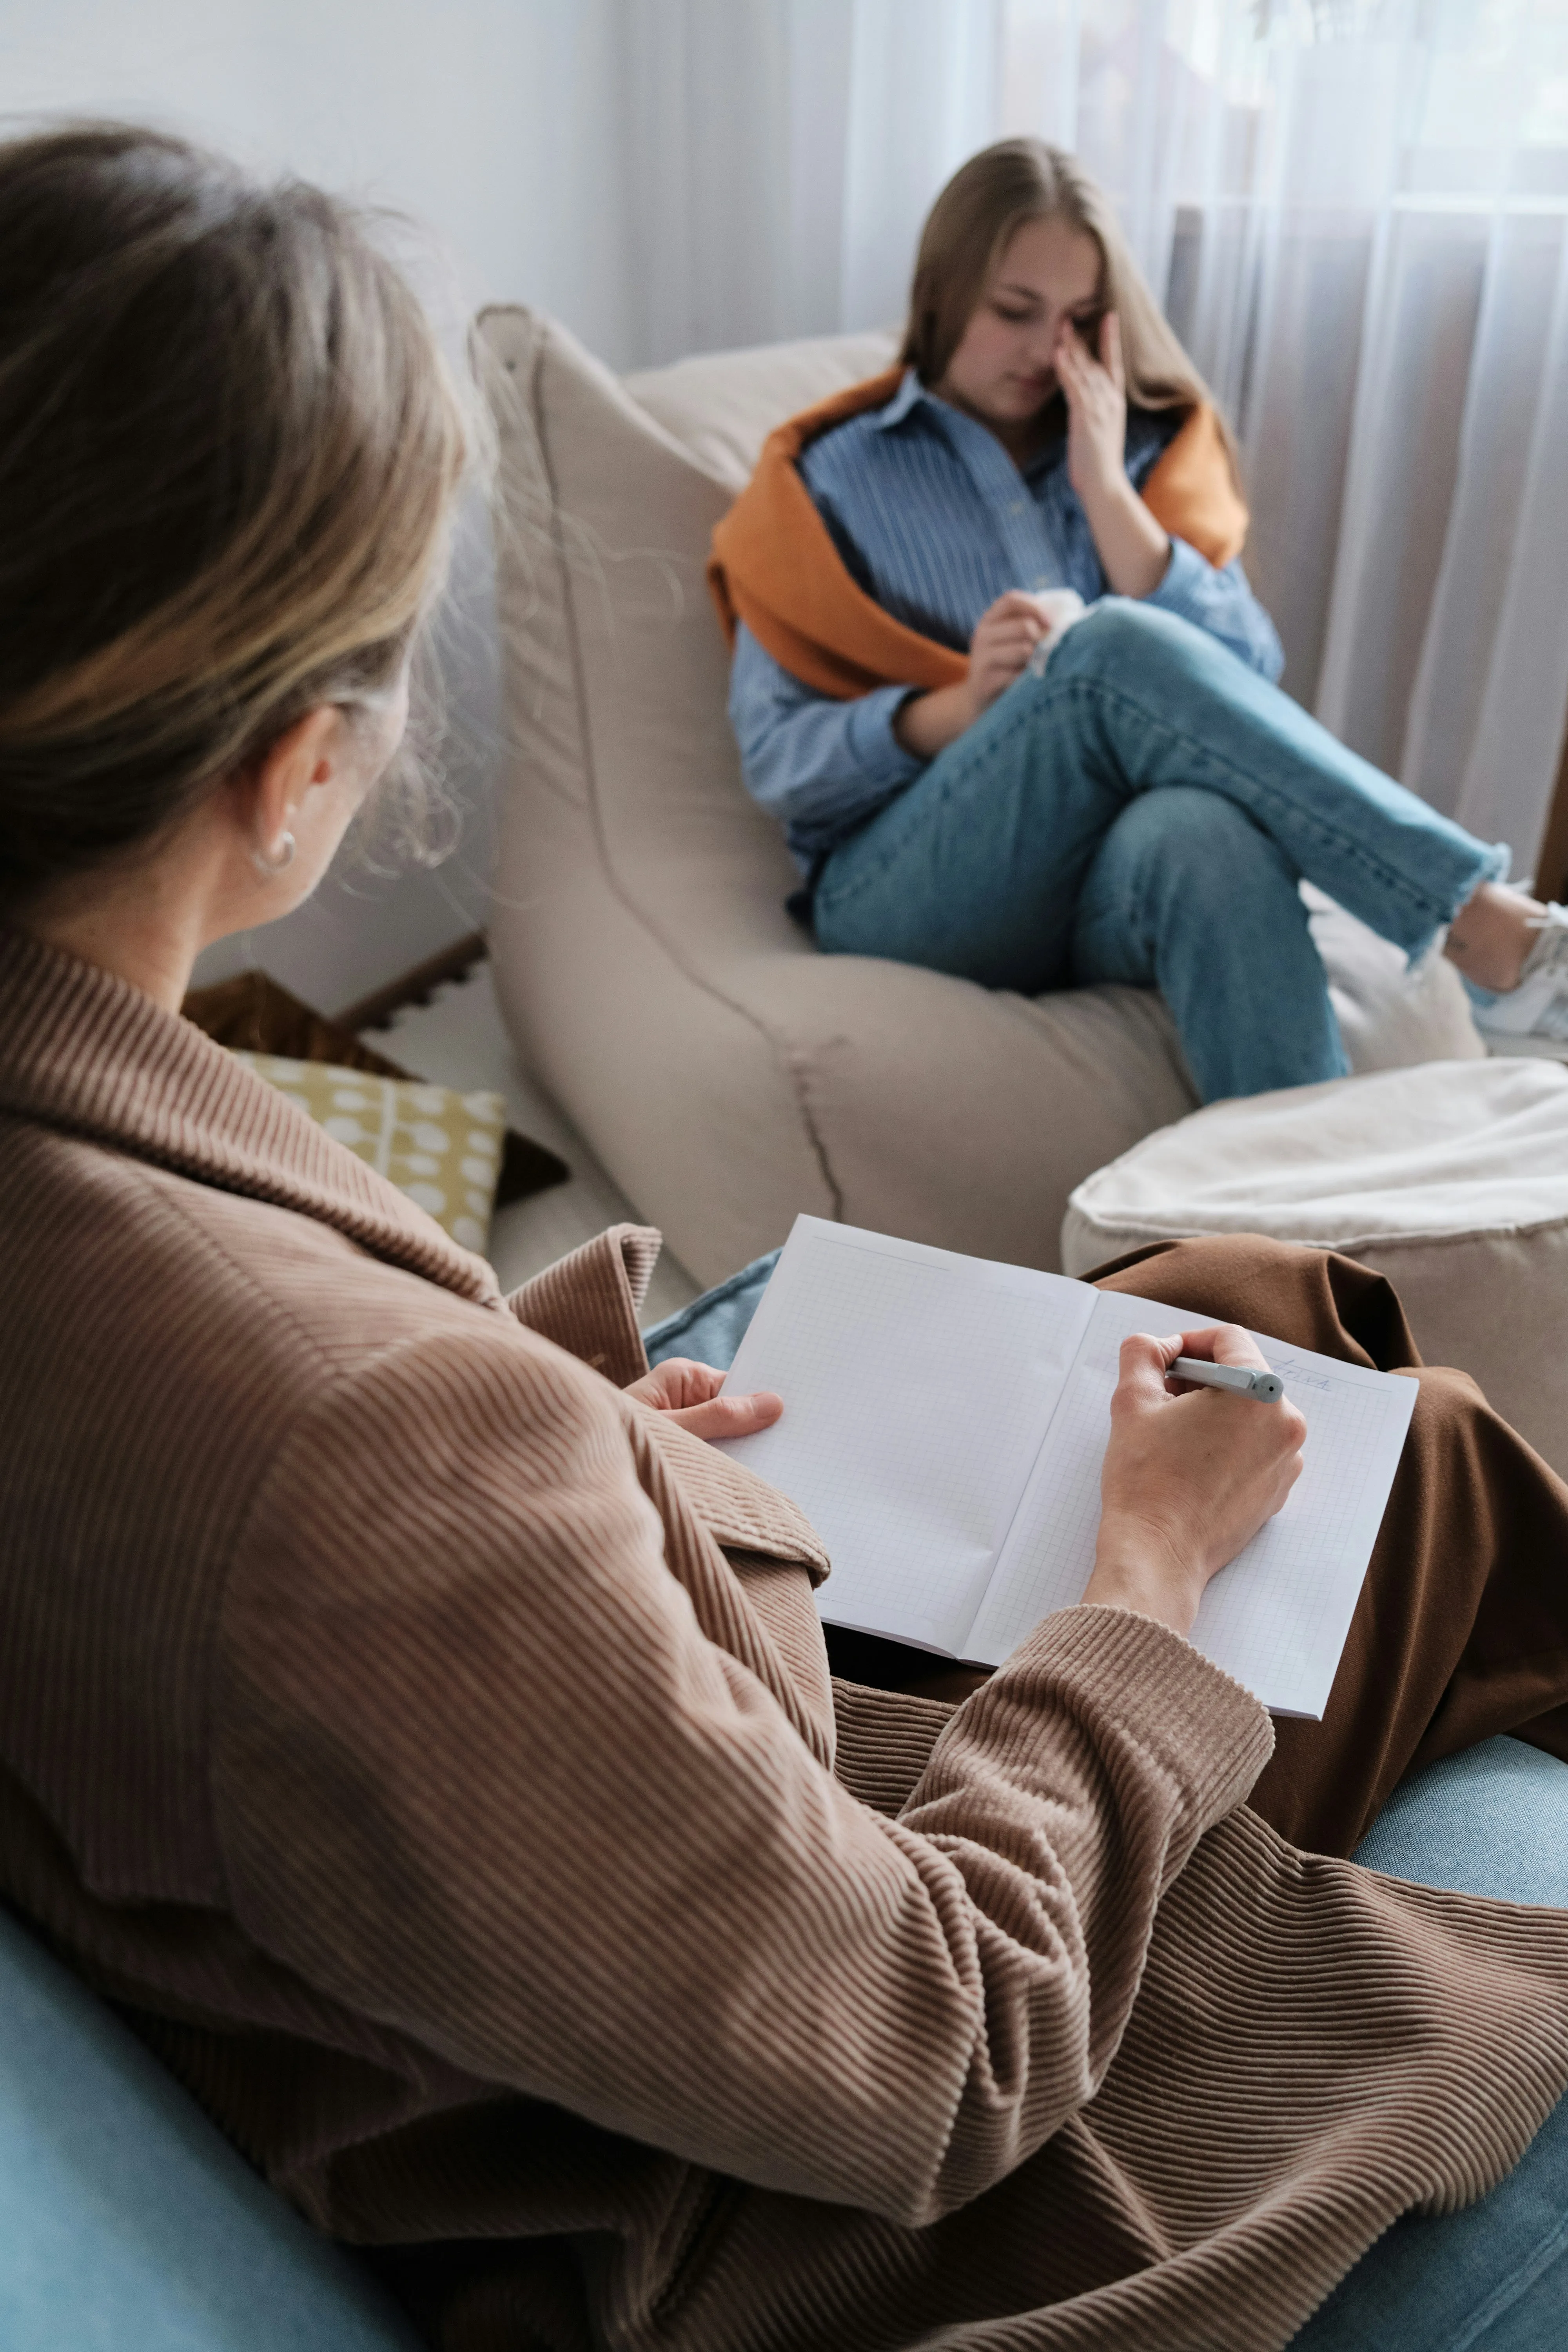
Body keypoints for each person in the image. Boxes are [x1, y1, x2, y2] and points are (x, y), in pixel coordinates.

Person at [4, 122, 1568, 2352]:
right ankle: (1500, 952)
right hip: (805, 2171)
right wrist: (1147, 1588)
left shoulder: (112, 1191)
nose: (1047, 346)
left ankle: (1334, 1170)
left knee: (1259, 1302)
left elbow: (322, 1495)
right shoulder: (835, 479)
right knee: (1400, 1447)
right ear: (290, 771)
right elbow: (938, 2047)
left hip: (563, 1757)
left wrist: (572, 1433)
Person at [713, 139, 1568, 1101]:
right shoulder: (829, 477)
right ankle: (1488, 932)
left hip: (1105, 874)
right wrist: (955, 708)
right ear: (941, 297)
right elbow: (781, 761)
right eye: (1014, 313)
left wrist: (1106, 494)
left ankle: (1298, 1230)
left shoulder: (1144, 453)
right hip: (906, 887)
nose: (1047, 352)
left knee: (1202, 831)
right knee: (1106, 647)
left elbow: (1245, 688)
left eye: (1079, 321)